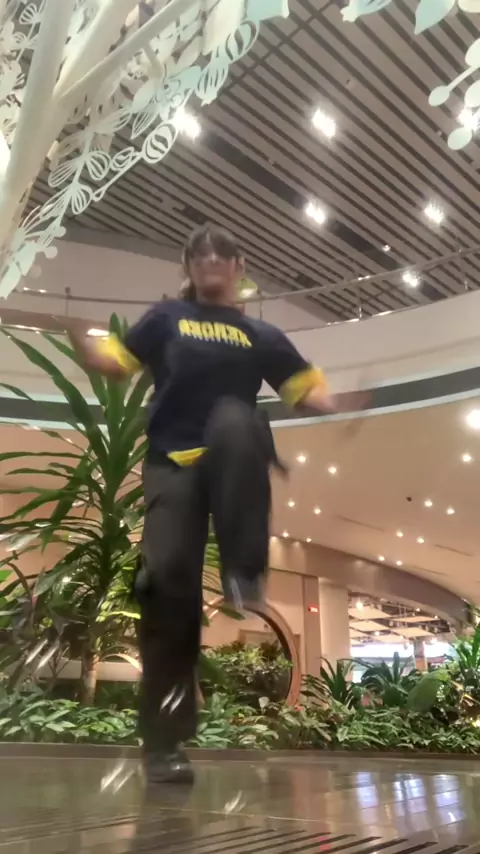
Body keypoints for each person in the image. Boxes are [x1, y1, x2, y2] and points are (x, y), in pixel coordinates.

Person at [72, 223, 366, 784]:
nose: (210, 258)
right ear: (188, 266)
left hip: (232, 458)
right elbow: (118, 361)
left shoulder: (260, 334)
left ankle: (243, 571)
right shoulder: (166, 318)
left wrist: (337, 403)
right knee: (167, 586)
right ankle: (164, 745)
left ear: (239, 266)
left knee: (236, 417)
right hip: (173, 464)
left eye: (222, 252)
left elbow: (302, 387)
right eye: (199, 252)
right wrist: (87, 349)